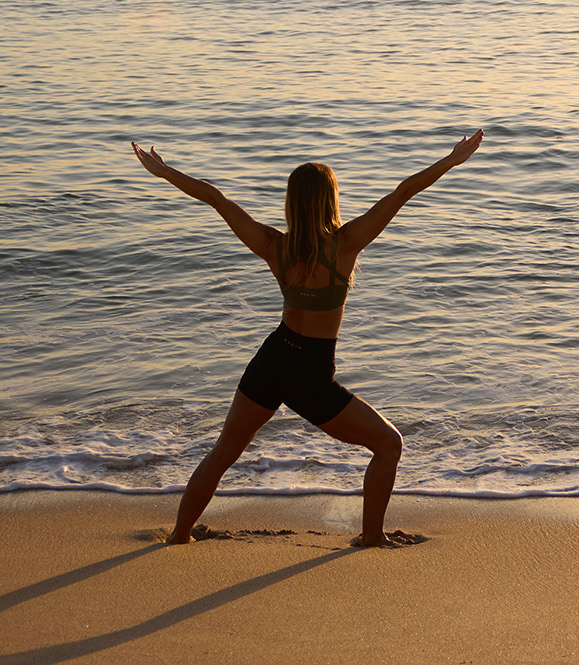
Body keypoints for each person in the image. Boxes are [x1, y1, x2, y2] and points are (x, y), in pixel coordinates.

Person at [129, 130, 484, 546]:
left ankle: (180, 535)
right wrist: (450, 160)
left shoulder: (272, 246)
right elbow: (403, 191)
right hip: (310, 374)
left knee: (224, 454)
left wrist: (165, 171)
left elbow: (216, 198)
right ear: (330, 199)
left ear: (291, 202)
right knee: (389, 445)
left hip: (273, 357)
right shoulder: (347, 245)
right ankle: (371, 536)